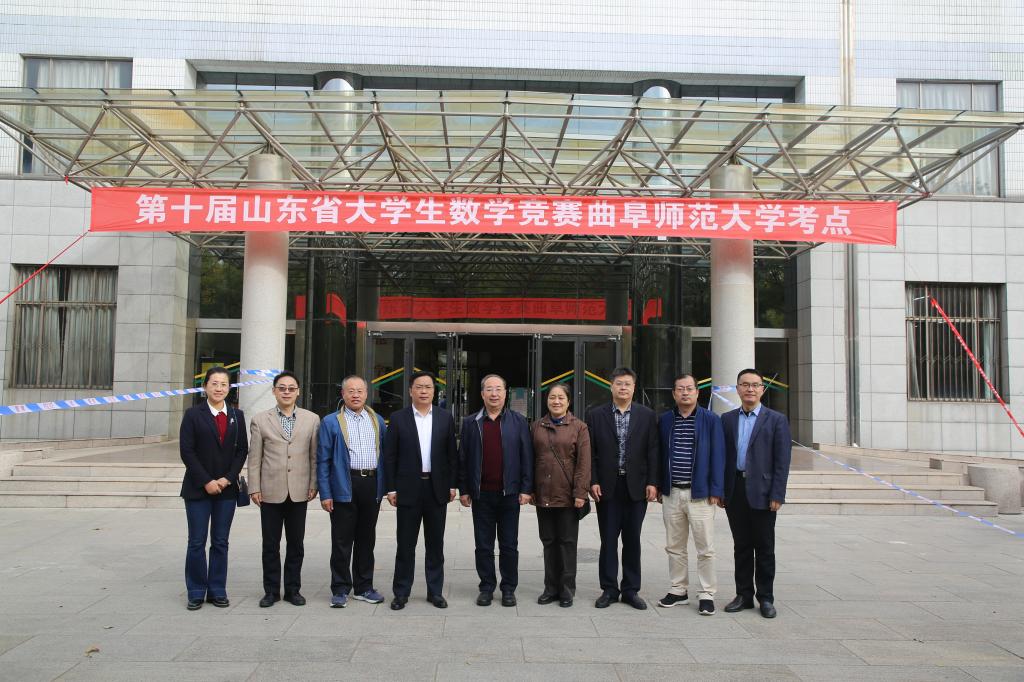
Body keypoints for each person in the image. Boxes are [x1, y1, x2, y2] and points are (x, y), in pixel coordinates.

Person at [382, 370, 459, 610]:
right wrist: (391, 488)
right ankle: (401, 592)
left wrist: (452, 484)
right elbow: (390, 456)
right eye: (419, 387)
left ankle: (435, 592)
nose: (424, 391)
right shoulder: (398, 418)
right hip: (408, 489)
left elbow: (452, 455)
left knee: (435, 545)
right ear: (410, 391)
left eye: (428, 387)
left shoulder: (445, 418)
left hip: (436, 489)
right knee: (405, 545)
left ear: (434, 391)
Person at [721, 368, 792, 619]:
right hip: (735, 490)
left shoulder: (776, 420)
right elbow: (723, 458)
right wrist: (721, 490)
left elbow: (782, 461)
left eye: (755, 385)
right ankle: (743, 595)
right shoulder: (727, 419)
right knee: (741, 545)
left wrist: (777, 494)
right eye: (745, 384)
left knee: (764, 547)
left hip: (763, 492)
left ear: (762, 389)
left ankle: (766, 597)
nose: (750, 389)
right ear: (737, 389)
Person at [586, 366, 659, 610]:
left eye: (627, 384)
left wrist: (652, 482)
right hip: (607, 487)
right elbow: (591, 452)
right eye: (619, 383)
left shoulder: (647, 415)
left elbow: (653, 451)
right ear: (611, 386)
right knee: (608, 540)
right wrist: (593, 480)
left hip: (636, 487)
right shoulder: (595, 415)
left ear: (634, 387)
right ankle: (609, 589)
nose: (623, 388)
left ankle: (630, 590)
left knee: (632, 540)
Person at [458, 373, 534, 607]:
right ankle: (486, 587)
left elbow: (527, 456)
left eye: (498, 389)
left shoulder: (518, 421)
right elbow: (463, 459)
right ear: (482, 394)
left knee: (509, 545)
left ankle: (509, 588)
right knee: (483, 545)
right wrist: (464, 489)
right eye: (489, 389)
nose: (494, 394)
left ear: (505, 393)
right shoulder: (471, 422)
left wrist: (526, 488)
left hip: (509, 494)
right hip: (481, 494)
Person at [247, 371, 320, 608]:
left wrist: (313, 484)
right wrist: (254, 487)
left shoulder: (312, 419)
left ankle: (292, 590)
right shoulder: (260, 420)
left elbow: (314, 456)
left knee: (296, 544)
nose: (286, 392)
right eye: (282, 388)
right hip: (270, 491)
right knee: (270, 545)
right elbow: (254, 457)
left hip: (299, 490)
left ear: (298, 391)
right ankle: (271, 591)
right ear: (274, 391)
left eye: (291, 388)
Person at [178, 366, 248, 610]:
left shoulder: (237, 415)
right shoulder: (193, 415)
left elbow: (242, 451)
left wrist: (227, 479)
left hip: (226, 490)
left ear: (230, 388)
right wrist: (207, 481)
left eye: (224, 384)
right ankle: (196, 590)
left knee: (220, 541)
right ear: (205, 386)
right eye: (214, 383)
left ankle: (218, 589)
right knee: (196, 541)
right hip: (198, 489)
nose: (219, 388)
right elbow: (187, 451)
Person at [656, 373, 725, 615]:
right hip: (672, 492)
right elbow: (659, 455)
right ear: (674, 394)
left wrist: (716, 489)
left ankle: (706, 593)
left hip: (700, 494)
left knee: (705, 547)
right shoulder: (665, 420)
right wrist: (659, 485)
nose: (685, 393)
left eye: (689, 389)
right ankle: (678, 589)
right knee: (674, 546)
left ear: (697, 392)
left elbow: (718, 456)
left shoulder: (711, 420)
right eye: (680, 389)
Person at [316, 375, 387, 608]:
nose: (355, 395)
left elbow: (385, 454)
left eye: (360, 391)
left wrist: (387, 488)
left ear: (366, 393)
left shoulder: (377, 420)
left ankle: (364, 587)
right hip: (343, 484)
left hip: (371, 484)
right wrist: (325, 493)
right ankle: (340, 588)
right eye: (351, 391)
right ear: (343, 394)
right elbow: (323, 460)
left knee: (367, 539)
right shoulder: (331, 422)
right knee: (342, 540)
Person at [530, 382, 591, 608]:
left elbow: (584, 463)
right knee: (548, 542)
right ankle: (550, 588)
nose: (556, 401)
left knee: (567, 543)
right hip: (543, 494)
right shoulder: (536, 426)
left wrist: (580, 492)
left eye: (561, 398)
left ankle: (566, 590)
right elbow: (530, 459)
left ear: (568, 401)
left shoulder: (579, 427)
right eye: (552, 397)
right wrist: (530, 489)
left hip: (568, 495)